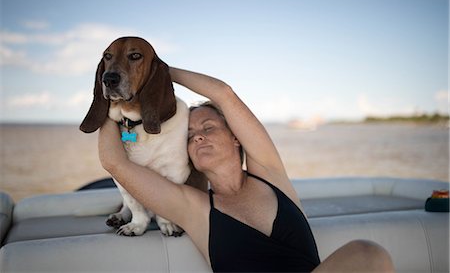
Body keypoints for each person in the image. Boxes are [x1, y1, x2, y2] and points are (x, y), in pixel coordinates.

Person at [99, 67, 395, 272]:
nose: (198, 135)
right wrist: (110, 101)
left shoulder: (271, 174)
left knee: (367, 253)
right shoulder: (193, 208)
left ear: (236, 137)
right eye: (188, 136)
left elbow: (224, 93)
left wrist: (157, 70)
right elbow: (115, 162)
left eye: (208, 127)